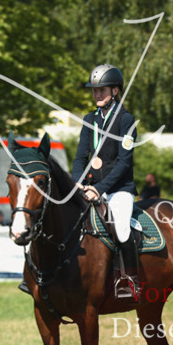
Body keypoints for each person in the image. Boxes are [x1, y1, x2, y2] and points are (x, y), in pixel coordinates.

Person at [71, 63, 140, 299]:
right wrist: (77, 183)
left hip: (119, 189)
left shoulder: (125, 120)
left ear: (115, 91)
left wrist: (99, 189)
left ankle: (130, 279)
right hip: (89, 187)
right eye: (94, 90)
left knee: (121, 230)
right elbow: (81, 157)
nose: (96, 94)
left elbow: (124, 163)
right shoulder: (89, 119)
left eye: (102, 90)